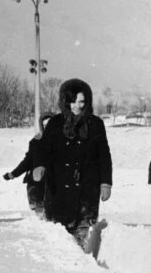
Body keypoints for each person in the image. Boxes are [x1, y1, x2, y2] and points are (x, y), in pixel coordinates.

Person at [33, 78, 112, 251]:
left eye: (82, 101)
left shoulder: (96, 124)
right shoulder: (55, 123)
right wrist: (40, 165)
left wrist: (106, 182)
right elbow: (44, 150)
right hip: (58, 190)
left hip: (87, 190)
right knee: (60, 240)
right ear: (65, 102)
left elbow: (104, 156)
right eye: (73, 101)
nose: (78, 106)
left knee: (83, 237)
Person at [3, 113, 54, 216]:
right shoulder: (35, 142)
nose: (47, 127)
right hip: (38, 185)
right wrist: (13, 174)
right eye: (44, 125)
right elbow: (27, 161)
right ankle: (41, 213)